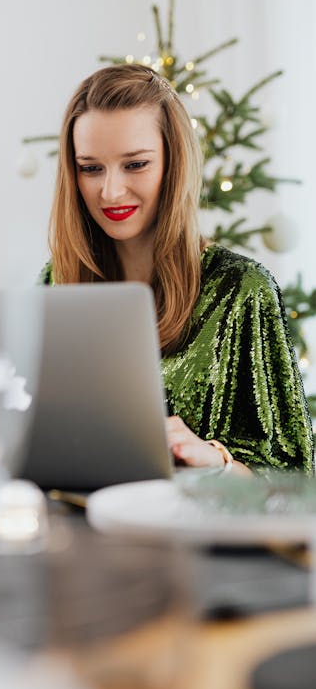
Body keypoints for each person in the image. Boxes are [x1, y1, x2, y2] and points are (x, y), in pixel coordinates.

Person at [39, 64, 313, 476]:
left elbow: (296, 477)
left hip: (198, 535)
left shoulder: (240, 289)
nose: (110, 191)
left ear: (173, 162)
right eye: (91, 168)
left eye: (135, 165)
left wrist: (215, 461)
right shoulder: (56, 282)